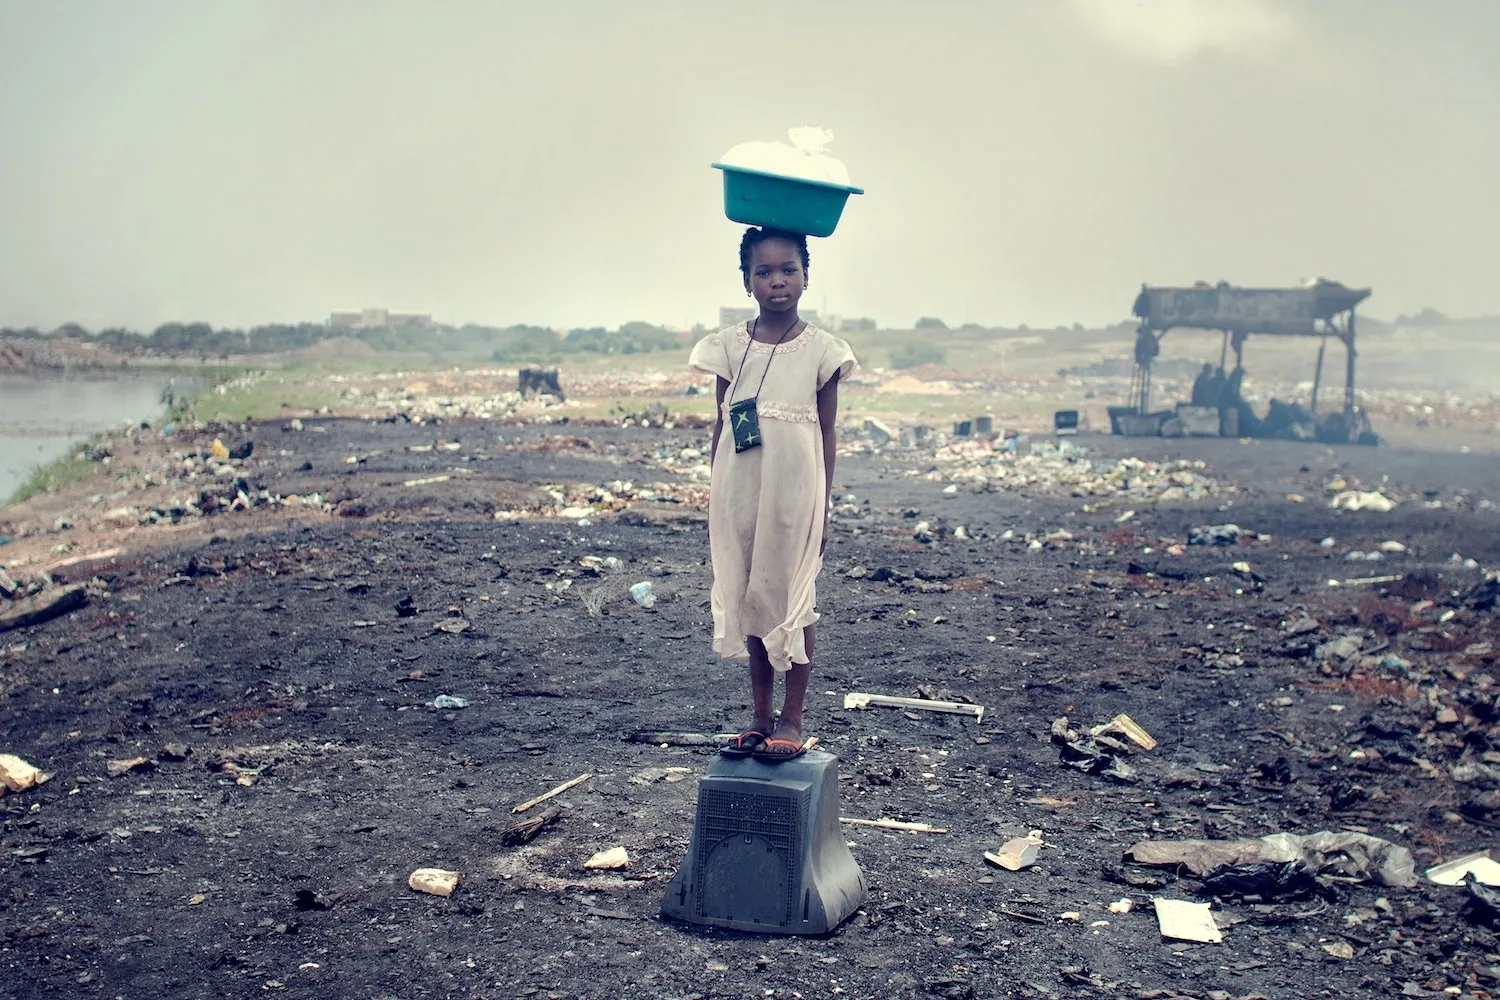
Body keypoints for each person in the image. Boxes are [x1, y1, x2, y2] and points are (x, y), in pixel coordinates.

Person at [687, 227, 857, 763]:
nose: (777, 281)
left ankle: (792, 718)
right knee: (750, 596)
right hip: (739, 491)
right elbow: (722, 424)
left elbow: (826, 433)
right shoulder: (727, 347)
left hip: (794, 496)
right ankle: (760, 717)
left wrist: (823, 508)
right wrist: (715, 493)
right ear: (747, 281)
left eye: (788, 270)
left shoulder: (823, 351)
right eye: (763, 272)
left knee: (794, 599)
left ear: (806, 277)